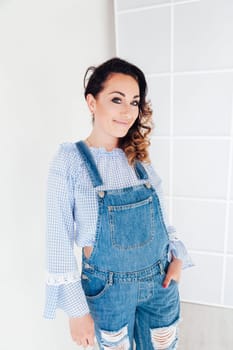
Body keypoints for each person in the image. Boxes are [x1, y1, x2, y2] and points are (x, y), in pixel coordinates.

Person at [43, 57, 193, 349]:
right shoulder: (69, 162)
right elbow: (57, 241)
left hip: (159, 285)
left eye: (135, 102)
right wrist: (77, 311)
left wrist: (177, 260)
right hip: (107, 293)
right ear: (91, 102)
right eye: (117, 99)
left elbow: (161, 221)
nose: (128, 112)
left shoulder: (137, 159)